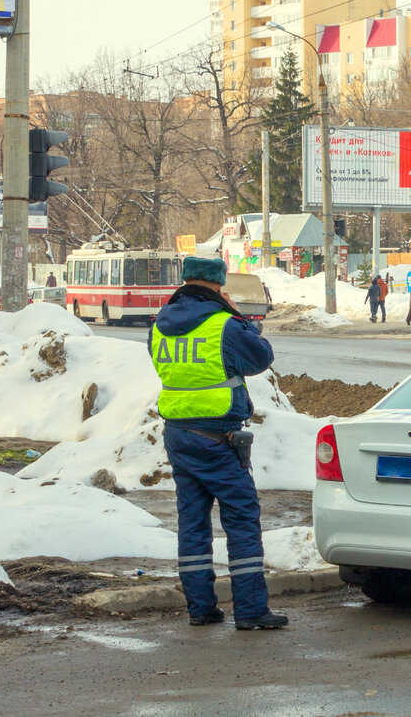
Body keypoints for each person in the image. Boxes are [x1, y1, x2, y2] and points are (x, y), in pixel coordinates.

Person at [148, 255, 288, 631]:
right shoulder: (223, 324)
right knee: (241, 520)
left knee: (192, 523)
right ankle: (251, 610)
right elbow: (260, 359)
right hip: (218, 439)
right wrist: (242, 320)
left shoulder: (160, 325)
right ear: (216, 285)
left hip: (178, 435)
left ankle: (201, 609)